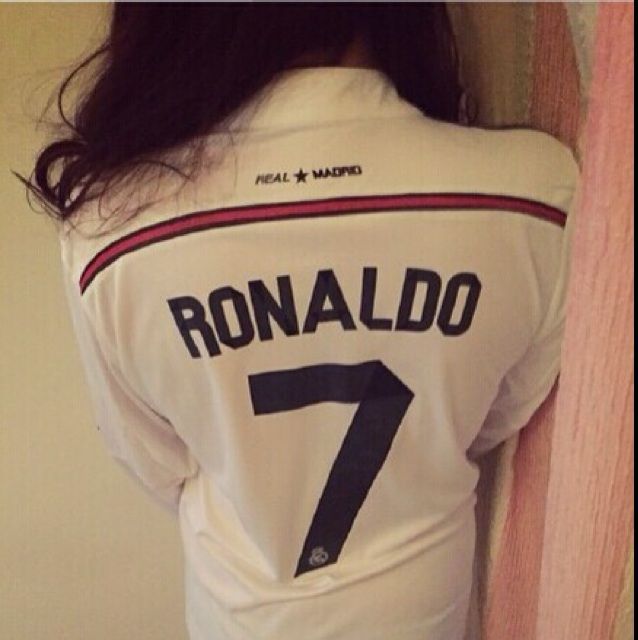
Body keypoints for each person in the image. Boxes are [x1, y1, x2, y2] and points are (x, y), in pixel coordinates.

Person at [20, 4, 579, 639]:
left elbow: (154, 459)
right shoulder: (538, 192)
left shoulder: (108, 231)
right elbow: (501, 412)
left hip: (235, 621)